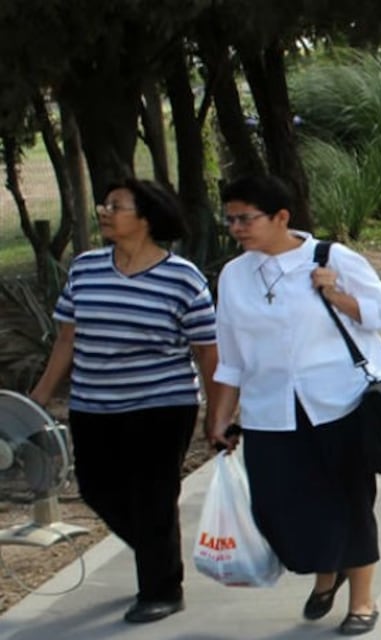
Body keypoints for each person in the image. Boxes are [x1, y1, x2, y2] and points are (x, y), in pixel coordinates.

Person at [207, 175, 381, 636]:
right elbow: (231, 354)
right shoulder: (235, 276)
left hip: (339, 403)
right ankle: (325, 570)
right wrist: (218, 416)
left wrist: (336, 294)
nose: (236, 227)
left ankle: (361, 600)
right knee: (279, 507)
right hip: (269, 411)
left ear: (280, 218)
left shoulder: (331, 258)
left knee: (348, 501)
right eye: (230, 218)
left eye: (246, 218)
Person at [29, 178, 218, 624]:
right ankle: (158, 552)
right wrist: (39, 395)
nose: (104, 211)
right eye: (104, 204)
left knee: (153, 495)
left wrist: (218, 413)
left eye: (116, 205)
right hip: (93, 404)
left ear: (146, 218)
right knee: (96, 488)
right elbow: (67, 338)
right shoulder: (87, 269)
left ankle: (162, 589)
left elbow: (207, 350)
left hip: (161, 405)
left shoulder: (182, 277)